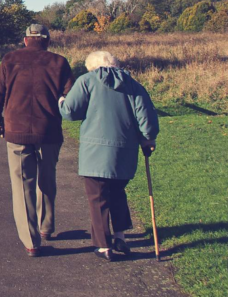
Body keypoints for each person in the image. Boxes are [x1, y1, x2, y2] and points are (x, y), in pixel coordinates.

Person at [58, 51, 159, 262]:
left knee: (98, 197)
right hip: (125, 152)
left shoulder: (87, 81)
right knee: (117, 192)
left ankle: (103, 245)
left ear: (91, 67)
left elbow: (70, 112)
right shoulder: (133, 85)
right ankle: (120, 236)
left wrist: (61, 101)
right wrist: (148, 139)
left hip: (95, 152)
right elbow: (147, 120)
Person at [0, 24, 74, 257]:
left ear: (25, 40)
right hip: (49, 132)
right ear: (47, 41)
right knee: (47, 179)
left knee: (22, 185)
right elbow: (70, 97)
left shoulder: (10, 60)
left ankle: (31, 241)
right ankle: (46, 227)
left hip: (17, 132)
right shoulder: (59, 62)